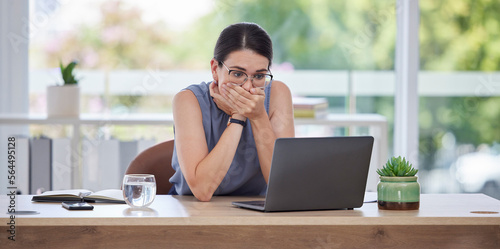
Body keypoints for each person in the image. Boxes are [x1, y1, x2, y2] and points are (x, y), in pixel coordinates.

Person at [170, 22, 295, 201]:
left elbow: (284, 186)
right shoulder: (188, 100)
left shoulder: (277, 94)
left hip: (257, 211)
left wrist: (258, 117)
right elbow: (203, 190)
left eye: (259, 76)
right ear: (215, 69)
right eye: (237, 74)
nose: (247, 87)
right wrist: (238, 118)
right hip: (192, 210)